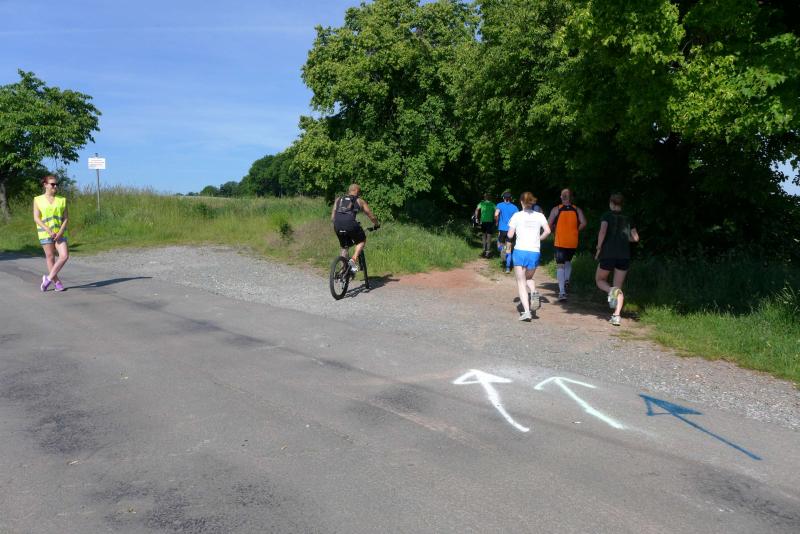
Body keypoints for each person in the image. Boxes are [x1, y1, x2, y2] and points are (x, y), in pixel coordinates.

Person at [595, 193, 640, 326]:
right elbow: (636, 238)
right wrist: (624, 239)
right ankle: (616, 315)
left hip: (608, 254)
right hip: (624, 255)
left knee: (600, 280)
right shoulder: (628, 217)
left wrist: (598, 248)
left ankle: (610, 291)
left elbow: (603, 232)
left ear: (611, 203)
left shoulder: (606, 216)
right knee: (618, 287)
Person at [507, 192, 551, 321]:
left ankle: (527, 312)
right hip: (534, 251)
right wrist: (539, 238)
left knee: (521, 282)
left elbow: (510, 235)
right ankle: (533, 292)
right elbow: (548, 231)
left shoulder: (517, 215)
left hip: (520, 251)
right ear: (532, 202)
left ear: (521, 202)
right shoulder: (540, 216)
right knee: (529, 278)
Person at [547, 188, 587, 301]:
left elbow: (549, 223)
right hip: (572, 241)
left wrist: (552, 231)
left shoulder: (556, 209)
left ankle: (562, 292)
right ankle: (567, 279)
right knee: (568, 261)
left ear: (561, 197)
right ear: (571, 197)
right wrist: (576, 230)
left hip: (560, 241)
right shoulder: (577, 209)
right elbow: (584, 223)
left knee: (560, 265)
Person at [33, 174, 69, 292]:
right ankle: (57, 282)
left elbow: (66, 218)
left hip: (60, 233)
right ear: (45, 185)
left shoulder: (62, 200)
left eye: (56, 184)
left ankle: (48, 279)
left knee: (64, 256)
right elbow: (36, 218)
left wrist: (60, 231)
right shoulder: (38, 199)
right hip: (45, 233)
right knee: (50, 257)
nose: (55, 186)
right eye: (53, 184)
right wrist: (48, 230)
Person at [331, 183, 379, 272]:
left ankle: (342, 271)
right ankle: (353, 259)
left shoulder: (338, 199)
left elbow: (333, 216)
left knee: (344, 247)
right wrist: (376, 224)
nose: (359, 193)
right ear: (356, 190)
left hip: (337, 224)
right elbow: (371, 215)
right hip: (350, 224)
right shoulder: (359, 201)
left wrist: (337, 225)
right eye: (359, 191)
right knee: (362, 240)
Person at [494, 191, 519, 273]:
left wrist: (497, 222)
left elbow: (496, 214)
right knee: (509, 248)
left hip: (502, 229)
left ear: (503, 198)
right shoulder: (515, 207)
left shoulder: (499, 205)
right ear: (510, 198)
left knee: (499, 245)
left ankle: (503, 249)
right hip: (511, 230)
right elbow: (518, 218)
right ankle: (508, 268)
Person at [474, 192, 496, 257]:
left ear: (485, 197)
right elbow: (496, 212)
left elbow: (476, 210)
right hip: (490, 222)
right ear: (490, 197)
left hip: (483, 221)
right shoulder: (493, 204)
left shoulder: (481, 203)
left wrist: (476, 218)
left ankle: (484, 250)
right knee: (489, 236)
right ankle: (487, 251)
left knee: (484, 235)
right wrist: (496, 220)